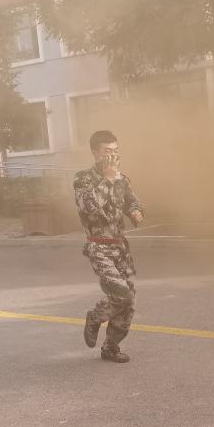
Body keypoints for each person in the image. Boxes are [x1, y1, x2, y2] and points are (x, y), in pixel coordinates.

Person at [74, 130, 144, 364]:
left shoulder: (122, 179)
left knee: (129, 301)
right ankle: (95, 317)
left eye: (115, 151)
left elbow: (131, 201)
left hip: (120, 247)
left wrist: (135, 212)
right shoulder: (83, 179)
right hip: (99, 247)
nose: (112, 155)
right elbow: (89, 207)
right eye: (107, 151)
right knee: (120, 293)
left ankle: (111, 347)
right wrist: (108, 179)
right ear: (95, 153)